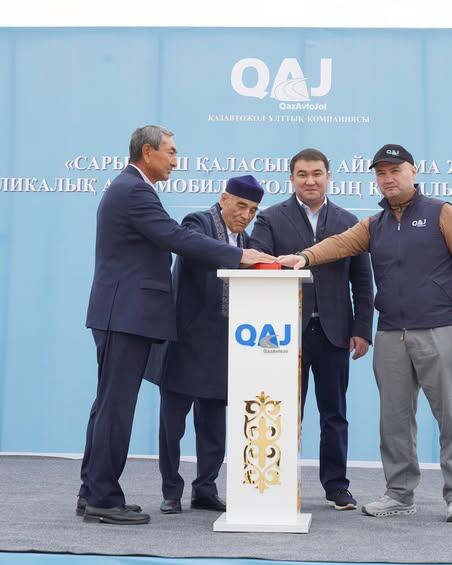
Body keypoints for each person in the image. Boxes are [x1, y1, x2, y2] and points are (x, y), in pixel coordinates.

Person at [78, 125, 274, 525]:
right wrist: (240, 257)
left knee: (108, 406)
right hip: (126, 314)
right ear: (147, 152)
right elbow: (175, 237)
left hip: (123, 313)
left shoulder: (131, 188)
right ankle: (102, 497)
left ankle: (91, 490)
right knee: (115, 408)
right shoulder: (134, 190)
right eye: (170, 152)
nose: (175, 160)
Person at [279, 144, 452, 523]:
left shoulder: (441, 212)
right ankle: (399, 494)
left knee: (451, 416)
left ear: (413, 171)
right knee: (394, 420)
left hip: (439, 328)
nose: (388, 178)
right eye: (381, 173)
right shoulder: (375, 224)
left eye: (395, 170)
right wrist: (304, 257)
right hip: (391, 333)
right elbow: (340, 244)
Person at [250, 148, 374, 511]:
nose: (310, 181)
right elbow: (257, 267)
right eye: (302, 174)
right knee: (285, 411)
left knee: (334, 414)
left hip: (335, 333)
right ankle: (279, 483)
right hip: (284, 334)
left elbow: (362, 284)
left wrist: (362, 329)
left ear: (328, 177)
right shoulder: (270, 219)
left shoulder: (350, 222)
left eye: (317, 173)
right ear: (291, 179)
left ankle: (336, 487)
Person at [144, 175, 264, 515]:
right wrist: (241, 256)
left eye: (253, 210)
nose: (245, 215)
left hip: (223, 345)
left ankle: (205, 489)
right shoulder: (197, 222)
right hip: (185, 341)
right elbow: (194, 247)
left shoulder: (246, 240)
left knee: (213, 425)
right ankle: (171, 490)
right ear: (224, 199)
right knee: (173, 425)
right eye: (241, 205)